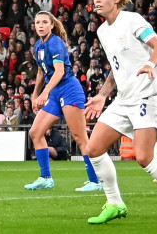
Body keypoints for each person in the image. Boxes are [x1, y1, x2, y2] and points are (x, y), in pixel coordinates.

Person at [81, 0, 157, 227]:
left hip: (148, 95)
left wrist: (149, 64)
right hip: (124, 98)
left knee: (144, 157)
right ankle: (114, 203)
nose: (97, 0)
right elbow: (116, 67)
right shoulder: (102, 30)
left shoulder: (132, 20)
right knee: (93, 149)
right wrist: (102, 94)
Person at [23, 11, 101, 192]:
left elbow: (59, 72)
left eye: (44, 22)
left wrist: (44, 94)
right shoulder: (38, 47)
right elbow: (42, 71)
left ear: (52, 25)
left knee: (80, 137)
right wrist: (35, 94)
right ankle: (45, 178)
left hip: (69, 89)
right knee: (35, 132)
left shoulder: (56, 42)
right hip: (55, 92)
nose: (41, 25)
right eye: (37, 22)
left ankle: (95, 181)